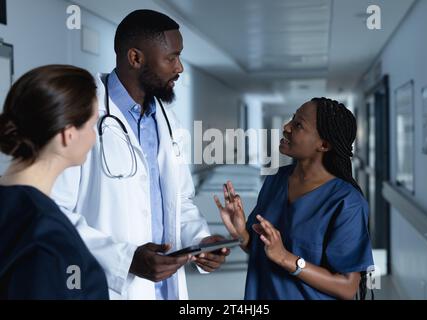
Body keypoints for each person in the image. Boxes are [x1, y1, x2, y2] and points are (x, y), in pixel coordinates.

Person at [52, 10, 229, 300]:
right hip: (107, 289)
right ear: (136, 58)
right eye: (171, 57)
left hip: (166, 290)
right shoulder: (80, 115)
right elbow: (55, 213)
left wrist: (200, 241)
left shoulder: (169, 122)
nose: (180, 67)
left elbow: (180, 201)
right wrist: (126, 260)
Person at [215, 97, 375, 300]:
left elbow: (347, 286)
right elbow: (261, 249)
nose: (286, 127)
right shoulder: (276, 180)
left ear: (324, 144)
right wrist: (242, 234)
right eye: (292, 119)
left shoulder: (346, 202)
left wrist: (286, 258)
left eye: (298, 124)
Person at [0, 65, 108, 299]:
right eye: (92, 125)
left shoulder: (16, 210)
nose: (94, 136)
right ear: (68, 135)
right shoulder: (47, 236)